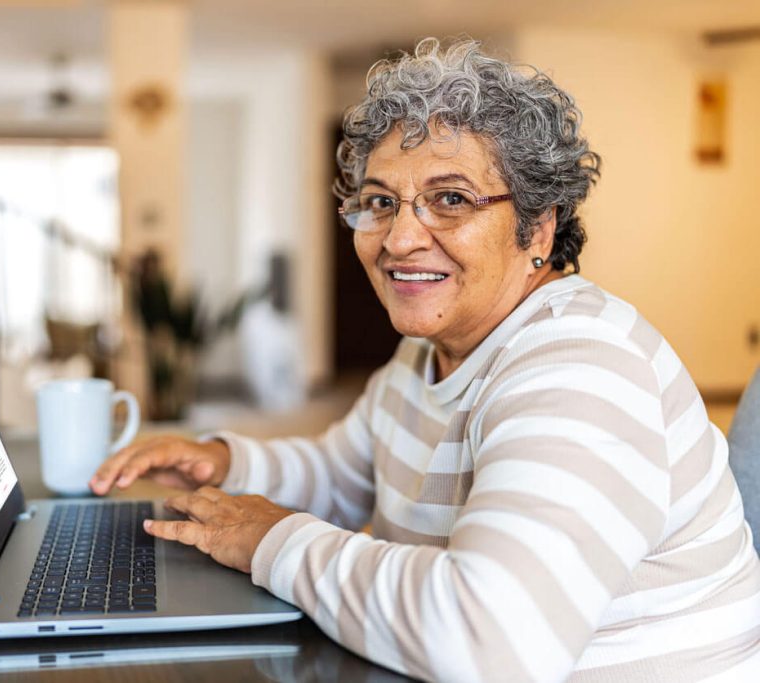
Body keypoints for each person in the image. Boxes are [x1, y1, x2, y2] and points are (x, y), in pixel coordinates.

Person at [91, 39, 760, 681]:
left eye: (451, 199)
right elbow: (346, 472)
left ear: (539, 226)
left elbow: (487, 642)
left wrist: (277, 542)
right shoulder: (423, 356)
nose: (401, 238)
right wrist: (226, 462)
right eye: (380, 202)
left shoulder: (583, 365)